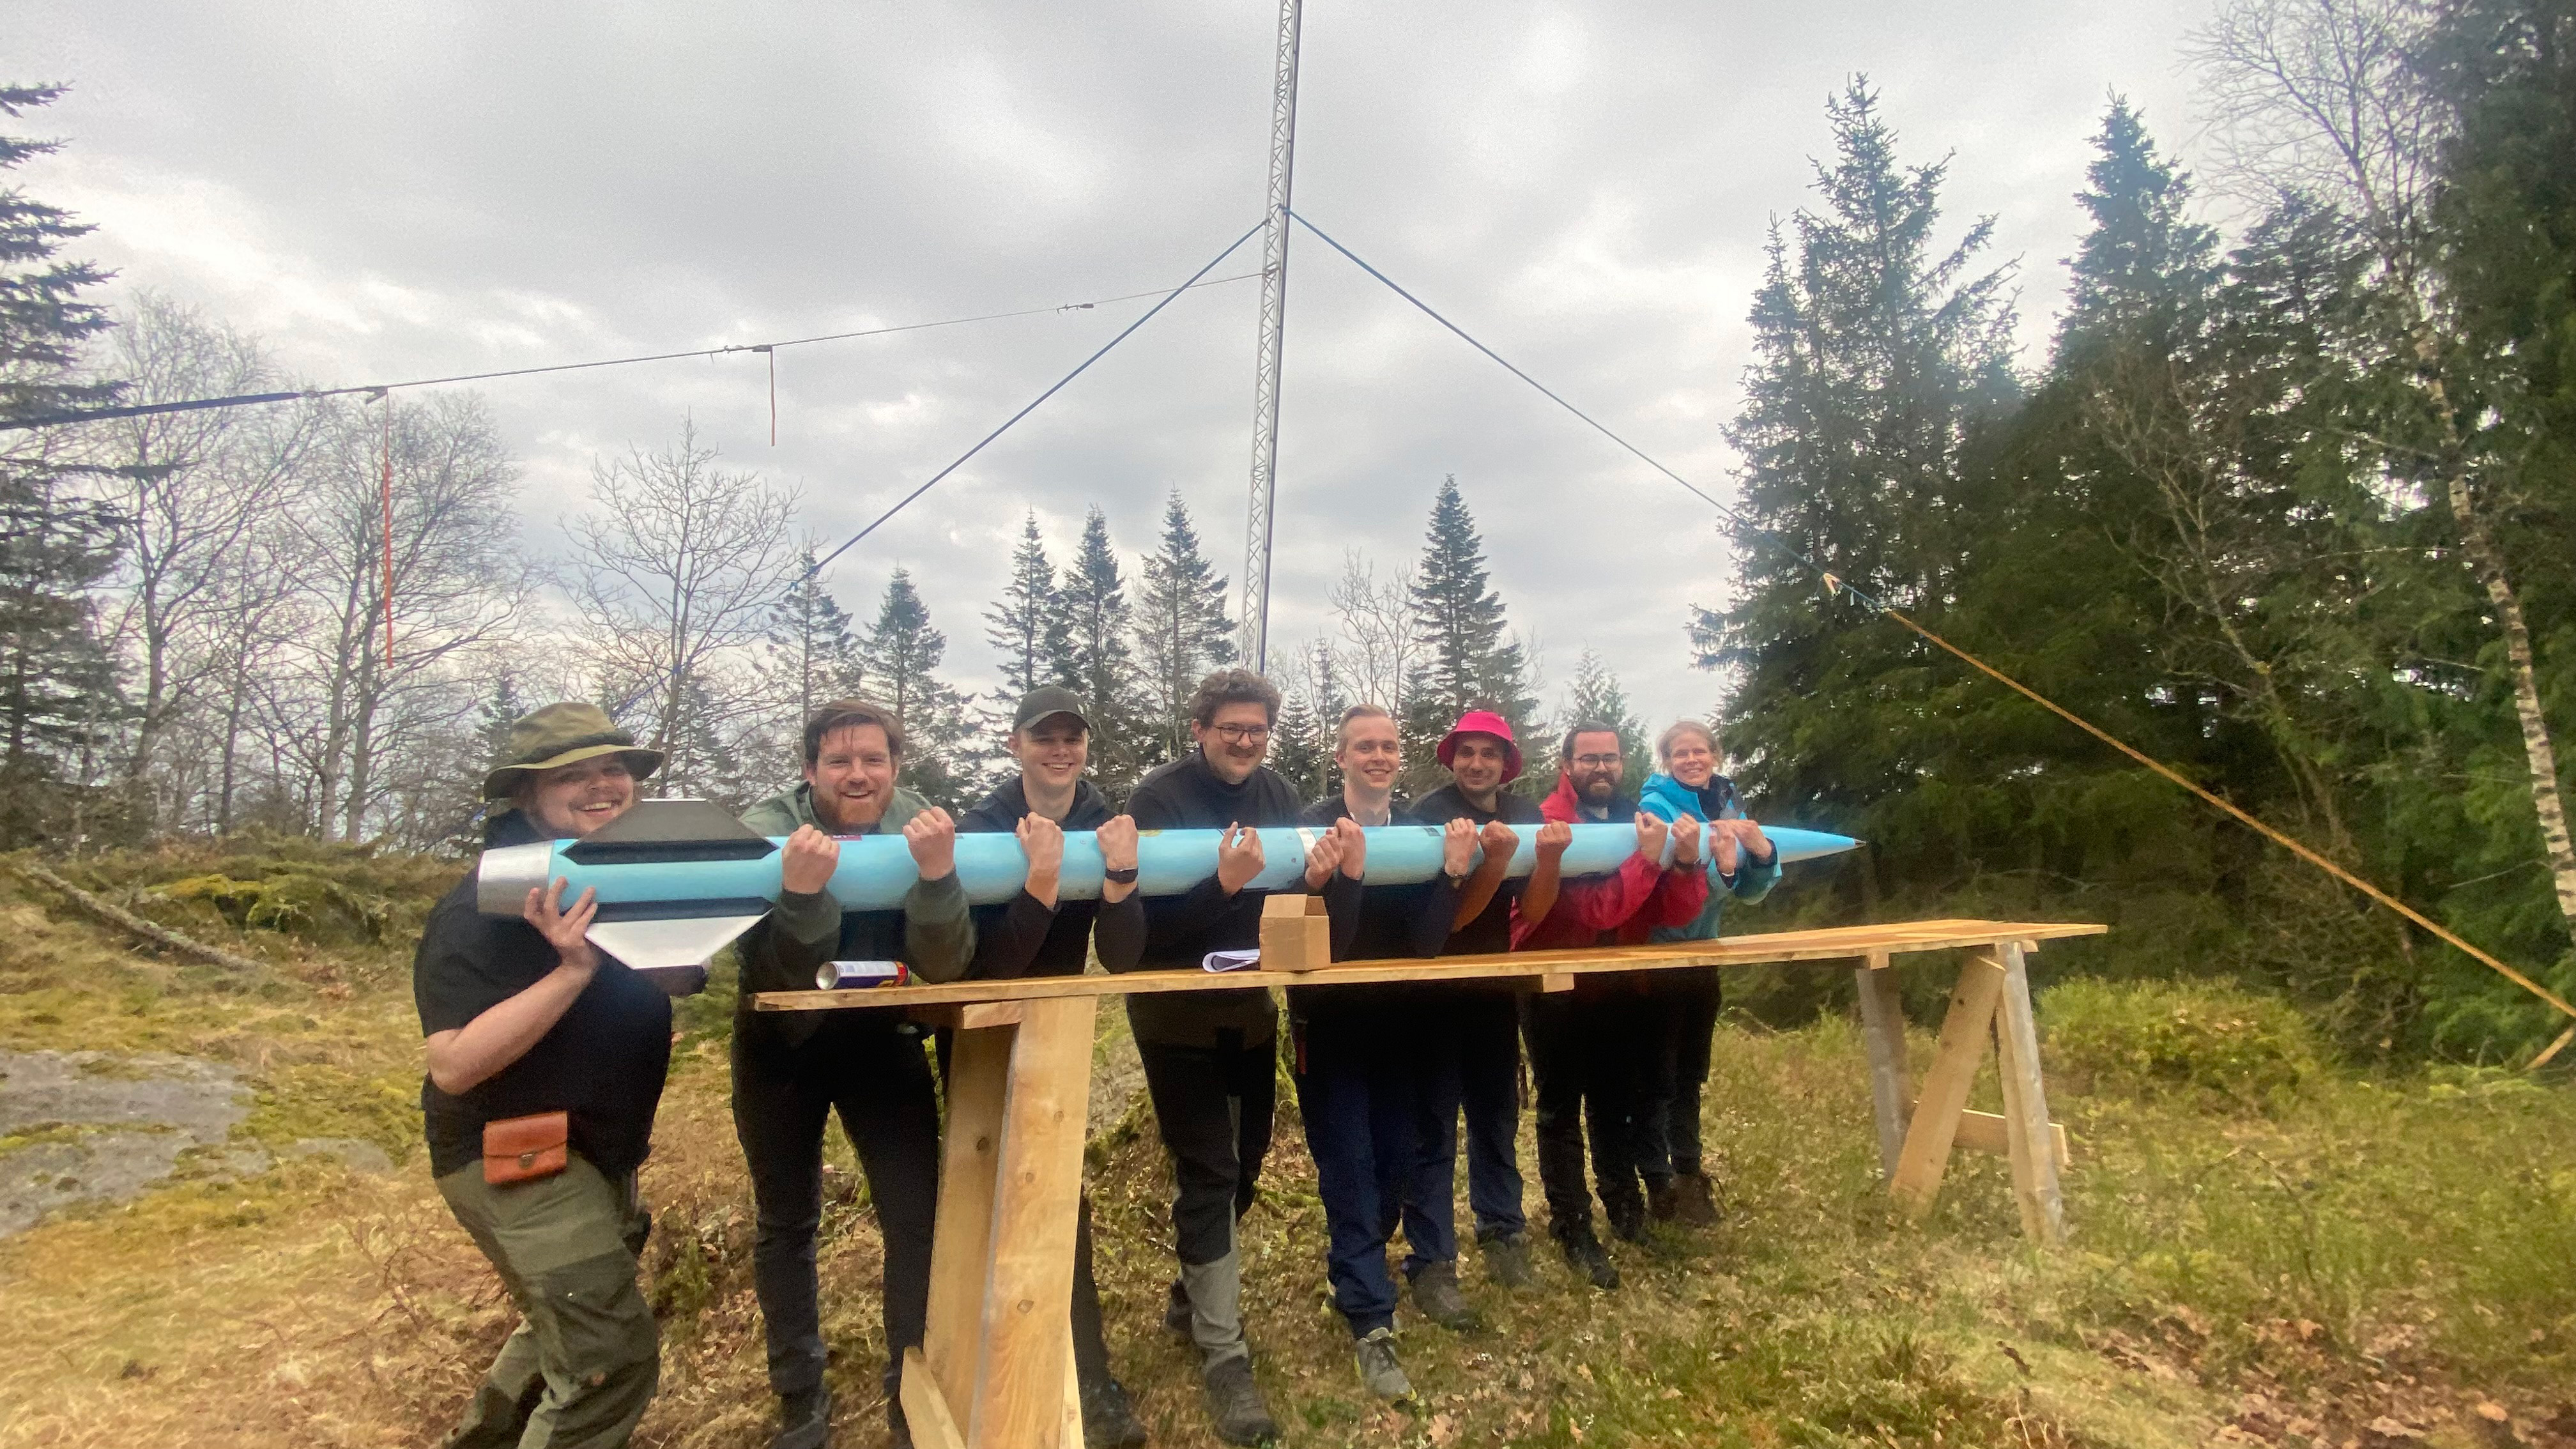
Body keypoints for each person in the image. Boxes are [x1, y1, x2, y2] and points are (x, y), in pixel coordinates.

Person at [413, 702, 673, 1449]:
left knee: (562, 1335)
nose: (602, 786)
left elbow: (679, 975)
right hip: (518, 1155)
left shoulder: (612, 879)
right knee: (607, 1361)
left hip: (594, 1152)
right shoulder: (480, 908)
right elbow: (455, 1064)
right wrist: (573, 971)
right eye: (574, 775)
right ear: (529, 794)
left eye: (613, 769)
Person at [732, 700, 976, 1449]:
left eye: (874, 759)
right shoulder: (764, 828)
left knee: (916, 1219)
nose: (858, 775)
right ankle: (801, 1402)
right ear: (810, 772)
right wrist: (802, 894)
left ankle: (911, 1397)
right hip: (781, 1040)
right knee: (786, 1223)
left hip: (881, 1038)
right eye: (839, 761)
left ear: (895, 766)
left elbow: (947, 966)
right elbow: (773, 969)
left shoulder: (923, 821)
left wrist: (936, 880)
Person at [953, 686, 1149, 1448]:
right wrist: (1038, 884)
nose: (1060, 750)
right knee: (983, 1197)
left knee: (1063, 1203)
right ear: (1016, 744)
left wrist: (1121, 877)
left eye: (1072, 737)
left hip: (1058, 1031)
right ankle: (984, 1367)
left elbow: (1124, 956)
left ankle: (1090, 1382)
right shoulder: (983, 826)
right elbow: (988, 966)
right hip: (980, 1028)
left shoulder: (1104, 818)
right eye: (1045, 737)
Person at [1116, 668, 1302, 1446]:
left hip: (1251, 1017)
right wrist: (1223, 887)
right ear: (1200, 729)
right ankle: (1226, 1359)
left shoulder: (1281, 795)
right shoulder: (1157, 799)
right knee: (1210, 1174)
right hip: (1175, 1021)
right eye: (1231, 727)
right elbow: (1141, 938)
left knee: (1246, 1169)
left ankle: (1193, 1297)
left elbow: (1290, 896)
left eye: (1256, 728)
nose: (1245, 741)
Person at [1290, 705, 1477, 1400]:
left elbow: (1427, 943)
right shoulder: (1308, 829)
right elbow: (1321, 949)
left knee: (1399, 1161)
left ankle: (1362, 1262)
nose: (1377, 756)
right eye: (1363, 746)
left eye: (1388, 746)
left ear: (1401, 759)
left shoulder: (1419, 833)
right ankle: (1370, 1319)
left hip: (1401, 1028)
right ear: (1339, 756)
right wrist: (1343, 879)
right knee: (1351, 1166)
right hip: (1330, 1029)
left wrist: (1451, 875)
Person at [1512, 722, 1708, 1289]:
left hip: (1621, 983)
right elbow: (1593, 912)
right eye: (1590, 759)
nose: (1602, 769)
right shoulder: (1551, 821)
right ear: (1567, 764)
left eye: (1612, 759)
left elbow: (1674, 913)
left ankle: (1625, 1211)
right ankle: (1573, 1227)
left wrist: (1688, 861)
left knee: (1615, 1100)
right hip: (1556, 986)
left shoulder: (1637, 818)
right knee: (1560, 1109)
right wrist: (1648, 861)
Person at [1409, 710, 1551, 1292]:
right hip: (1435, 988)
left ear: (1506, 765)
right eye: (1466, 752)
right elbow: (1452, 924)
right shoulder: (1430, 816)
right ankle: (1433, 1260)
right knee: (1434, 1124)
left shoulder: (1525, 816)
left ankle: (1503, 1231)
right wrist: (1492, 862)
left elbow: (1535, 913)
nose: (1477, 763)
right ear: (1452, 758)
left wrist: (1553, 858)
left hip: (1494, 988)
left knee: (1496, 1115)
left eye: (1489, 754)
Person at [1636, 720, 1779, 1227]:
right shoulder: (1656, 807)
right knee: (1658, 1076)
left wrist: (1762, 855)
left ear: (1715, 756)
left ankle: (1690, 1178)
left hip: (1703, 955)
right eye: (1680, 753)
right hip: (1659, 956)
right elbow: (1676, 899)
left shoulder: (1726, 804)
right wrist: (1721, 871)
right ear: (1667, 761)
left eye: (1700, 751)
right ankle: (1657, 1188)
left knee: (1691, 1073)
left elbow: (1750, 894)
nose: (1691, 759)